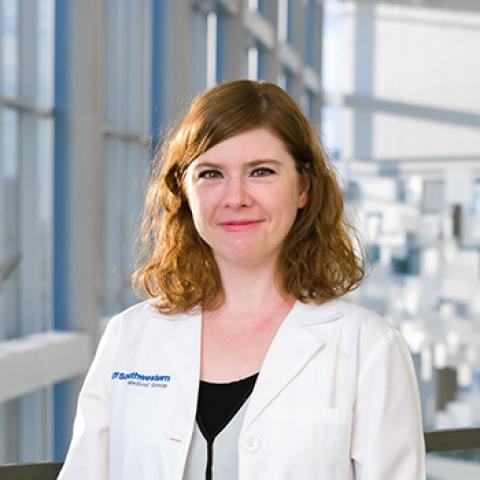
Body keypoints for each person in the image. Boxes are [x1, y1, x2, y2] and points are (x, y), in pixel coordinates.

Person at [58, 80, 425, 479]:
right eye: (211, 174)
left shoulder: (368, 348)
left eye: (261, 172)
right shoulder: (129, 337)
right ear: (184, 189)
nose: (235, 198)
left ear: (303, 186)